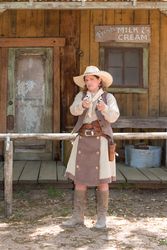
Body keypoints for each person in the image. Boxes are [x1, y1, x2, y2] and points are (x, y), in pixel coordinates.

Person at [63, 66, 120, 229]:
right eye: (86, 80)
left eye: (92, 79)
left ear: (99, 80)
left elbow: (114, 116)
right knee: (79, 179)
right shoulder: (81, 96)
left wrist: (104, 109)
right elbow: (73, 111)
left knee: (103, 180)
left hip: (101, 141)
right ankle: (77, 217)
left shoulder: (108, 97)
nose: (88, 82)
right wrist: (82, 105)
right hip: (82, 140)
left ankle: (102, 218)